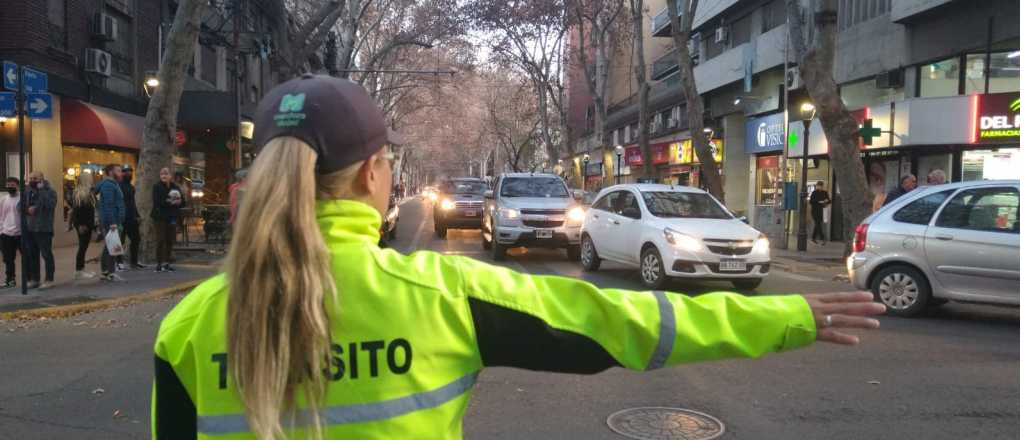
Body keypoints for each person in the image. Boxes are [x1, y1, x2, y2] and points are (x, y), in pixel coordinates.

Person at [151, 75, 885, 439]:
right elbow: (624, 323)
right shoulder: (440, 294)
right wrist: (785, 317)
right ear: (376, 174)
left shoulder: (186, 328)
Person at [25, 171, 56, 290]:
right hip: (30, 228)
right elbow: (19, 206)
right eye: (31, 178)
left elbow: (50, 205)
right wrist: (27, 209)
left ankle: (49, 279)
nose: (33, 180)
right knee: (33, 255)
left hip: (43, 228)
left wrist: (42, 191)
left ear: (42, 179)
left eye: (35, 178)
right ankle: (35, 279)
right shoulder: (28, 191)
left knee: (46, 254)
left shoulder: (50, 191)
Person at [97, 164, 126, 282]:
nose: (121, 173)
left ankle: (105, 271)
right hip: (112, 221)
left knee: (109, 246)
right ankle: (110, 272)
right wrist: (113, 222)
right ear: (110, 172)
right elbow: (109, 205)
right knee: (112, 246)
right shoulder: (109, 185)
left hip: (113, 220)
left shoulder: (113, 184)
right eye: (118, 171)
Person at [152, 167, 184, 272]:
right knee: (160, 240)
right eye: (162, 174)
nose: (164, 176)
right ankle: (159, 263)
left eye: (166, 174)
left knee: (170, 240)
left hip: (172, 217)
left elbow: (183, 201)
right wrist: (171, 202)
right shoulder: (156, 187)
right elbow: (158, 202)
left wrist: (179, 202)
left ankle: (167, 263)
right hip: (160, 217)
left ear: (170, 176)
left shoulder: (175, 187)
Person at [69, 172, 98, 280]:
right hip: (83, 224)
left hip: (87, 223)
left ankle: (81, 269)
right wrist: (81, 224)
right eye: (90, 178)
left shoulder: (88, 192)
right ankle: (79, 270)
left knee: (84, 246)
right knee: (82, 246)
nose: (92, 179)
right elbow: (77, 210)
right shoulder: (80, 193)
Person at [119, 166, 145, 269]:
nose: (128, 173)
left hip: (131, 218)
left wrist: (137, 215)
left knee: (136, 239)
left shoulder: (131, 187)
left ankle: (133, 262)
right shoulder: (119, 186)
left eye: (130, 171)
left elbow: (132, 203)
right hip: (122, 218)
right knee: (120, 241)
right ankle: (119, 262)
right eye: (125, 171)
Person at [0, 178, 21, 288]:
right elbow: (1, 216)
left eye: (12, 185)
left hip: (21, 234)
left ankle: (30, 279)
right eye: (8, 185)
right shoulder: (3, 199)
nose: (10, 187)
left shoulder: (22, 198)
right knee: (8, 259)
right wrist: (1, 230)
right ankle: (10, 280)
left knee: (27, 257)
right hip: (6, 233)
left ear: (17, 185)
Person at [809, 181, 831, 245]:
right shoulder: (814, 193)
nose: (820, 187)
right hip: (815, 211)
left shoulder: (825, 193)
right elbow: (811, 201)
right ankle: (822, 238)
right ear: (817, 186)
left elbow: (829, 201)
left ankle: (813, 238)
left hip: (823, 210)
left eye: (821, 186)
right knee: (818, 223)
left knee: (818, 224)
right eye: (819, 186)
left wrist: (827, 201)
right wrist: (819, 201)